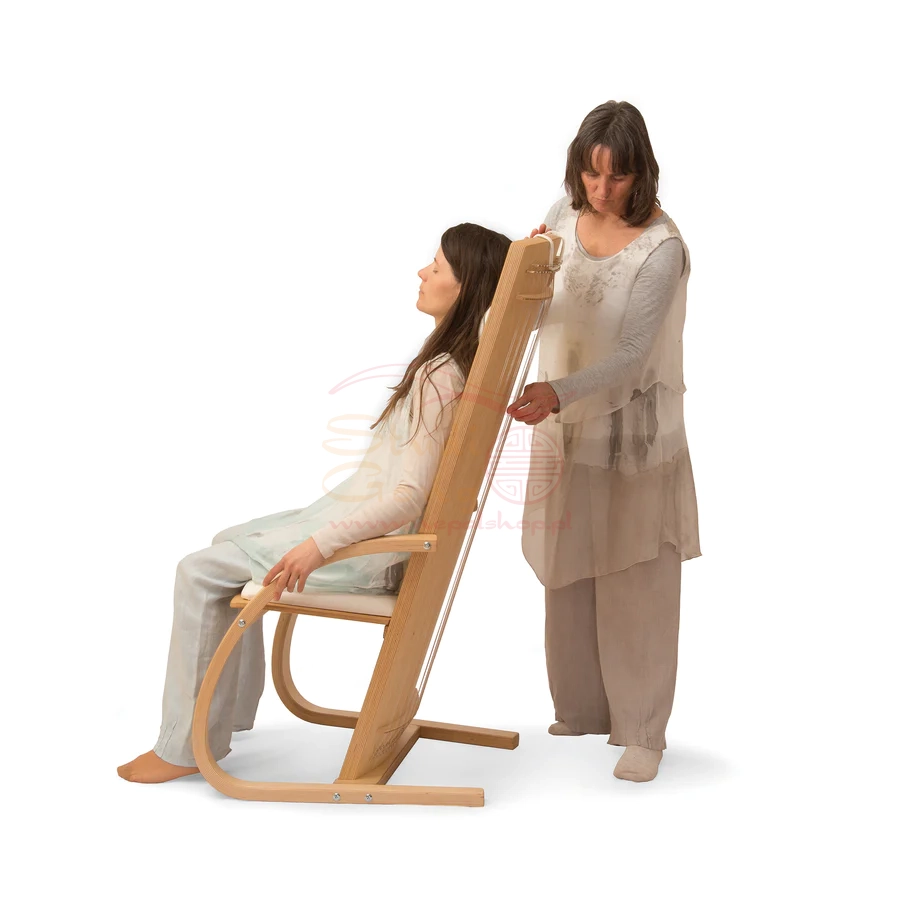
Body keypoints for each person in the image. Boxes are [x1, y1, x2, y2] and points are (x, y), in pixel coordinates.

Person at [118, 222, 512, 784]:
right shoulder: (454, 367)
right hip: (372, 536)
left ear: (466, 286)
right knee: (226, 542)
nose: (422, 272)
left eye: (437, 267)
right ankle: (226, 716)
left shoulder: (438, 377)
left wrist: (318, 545)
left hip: (373, 553)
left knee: (198, 571)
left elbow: (408, 497)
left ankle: (184, 748)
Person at [507, 100, 701, 783]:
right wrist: (525, 269)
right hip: (564, 423)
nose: (601, 189)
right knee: (570, 564)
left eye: (617, 176)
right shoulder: (563, 216)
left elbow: (630, 354)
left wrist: (558, 392)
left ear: (640, 172)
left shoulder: (660, 247)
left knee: (635, 577)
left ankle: (642, 730)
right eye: (591, 173)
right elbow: (542, 306)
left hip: (633, 431)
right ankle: (584, 707)